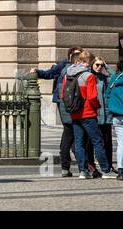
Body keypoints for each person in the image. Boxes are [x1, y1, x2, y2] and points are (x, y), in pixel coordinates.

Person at [35, 47, 84, 177]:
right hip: (72, 105)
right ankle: (81, 166)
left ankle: (67, 166)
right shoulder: (66, 67)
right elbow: (48, 74)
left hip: (64, 103)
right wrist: (37, 72)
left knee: (69, 134)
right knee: (74, 134)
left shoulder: (67, 69)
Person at [67, 51, 113, 177]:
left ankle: (83, 171)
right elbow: (92, 97)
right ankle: (105, 170)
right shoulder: (88, 76)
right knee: (97, 141)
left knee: (79, 142)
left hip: (74, 113)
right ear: (88, 61)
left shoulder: (68, 74)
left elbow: (62, 94)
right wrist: (97, 106)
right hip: (88, 113)